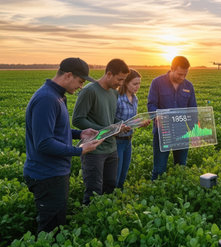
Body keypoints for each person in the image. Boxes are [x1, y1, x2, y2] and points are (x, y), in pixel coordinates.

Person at [23, 57, 102, 233]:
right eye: (80, 81)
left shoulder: (57, 96)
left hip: (55, 173)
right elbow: (44, 143)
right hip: (46, 175)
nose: (81, 86)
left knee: (57, 224)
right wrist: (79, 150)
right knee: (50, 229)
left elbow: (56, 131)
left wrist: (79, 134)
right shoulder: (47, 99)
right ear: (68, 75)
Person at [72, 59, 130, 205]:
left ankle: (104, 217)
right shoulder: (89, 91)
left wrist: (121, 125)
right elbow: (78, 120)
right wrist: (105, 130)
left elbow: (110, 116)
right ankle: (89, 221)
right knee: (93, 191)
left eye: (124, 80)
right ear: (109, 74)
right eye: (119, 79)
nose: (121, 84)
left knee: (110, 186)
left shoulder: (114, 93)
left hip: (112, 148)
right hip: (94, 150)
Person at [147, 56, 197, 180]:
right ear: (172, 69)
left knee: (181, 167)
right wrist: (157, 115)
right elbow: (151, 104)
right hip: (163, 132)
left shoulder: (189, 86)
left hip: (182, 133)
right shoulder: (157, 83)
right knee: (159, 169)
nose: (182, 77)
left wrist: (194, 131)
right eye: (180, 74)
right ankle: (156, 194)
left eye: (185, 75)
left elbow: (192, 110)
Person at [115, 69, 150, 189]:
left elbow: (132, 119)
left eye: (139, 83)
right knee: (116, 175)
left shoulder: (135, 99)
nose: (138, 87)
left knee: (123, 173)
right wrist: (121, 127)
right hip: (117, 141)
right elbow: (111, 121)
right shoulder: (117, 99)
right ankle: (110, 199)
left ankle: (118, 198)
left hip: (128, 141)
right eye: (135, 84)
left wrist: (141, 123)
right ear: (125, 83)